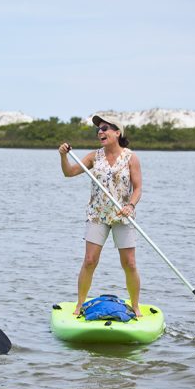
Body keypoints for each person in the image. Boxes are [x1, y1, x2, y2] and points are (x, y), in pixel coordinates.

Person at [58, 114, 143, 317]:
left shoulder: (131, 157)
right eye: (98, 129)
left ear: (117, 132)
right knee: (89, 260)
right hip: (97, 215)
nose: (100, 132)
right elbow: (68, 172)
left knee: (129, 263)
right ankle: (79, 305)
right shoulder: (93, 157)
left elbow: (138, 188)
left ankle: (136, 306)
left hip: (123, 215)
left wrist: (130, 205)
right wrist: (63, 156)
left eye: (105, 128)